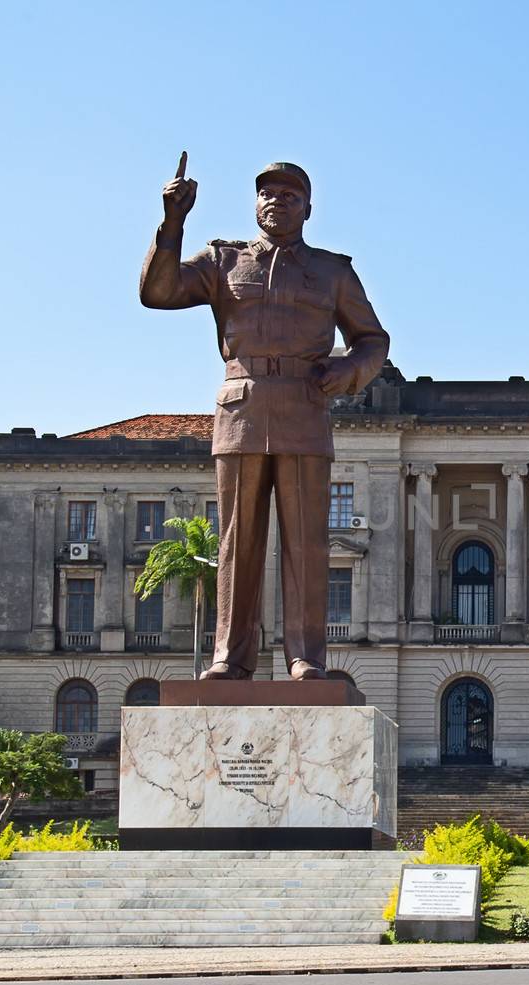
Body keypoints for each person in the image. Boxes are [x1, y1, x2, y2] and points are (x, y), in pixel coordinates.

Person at [140, 154, 390, 680]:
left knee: (306, 542)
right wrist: (172, 223)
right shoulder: (223, 261)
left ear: (308, 209)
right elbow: (157, 293)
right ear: (256, 204)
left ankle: (304, 657)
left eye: (291, 195)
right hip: (243, 406)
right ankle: (230, 657)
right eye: (268, 193)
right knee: (237, 538)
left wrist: (346, 374)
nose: (278, 201)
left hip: (304, 403)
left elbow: (373, 340)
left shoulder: (332, 271)